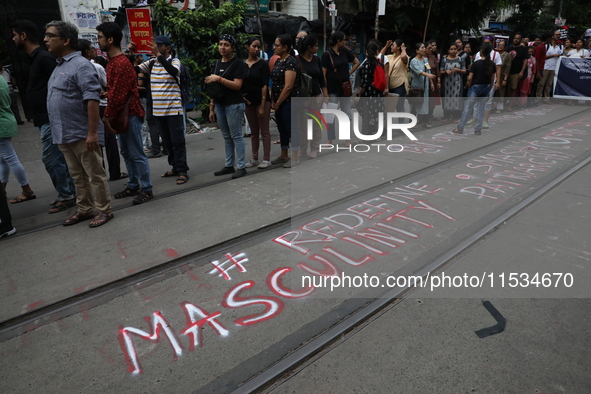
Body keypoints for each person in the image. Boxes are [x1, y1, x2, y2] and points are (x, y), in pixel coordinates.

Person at [44, 20, 113, 227]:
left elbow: (92, 99)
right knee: (77, 176)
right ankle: (84, 209)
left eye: (50, 35)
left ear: (65, 40)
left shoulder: (81, 65)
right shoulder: (59, 66)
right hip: (64, 133)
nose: (45, 40)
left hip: (83, 133)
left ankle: (104, 210)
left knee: (95, 175)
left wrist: (92, 132)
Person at [11, 20, 76, 214]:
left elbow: (62, 84)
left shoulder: (44, 58)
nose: (13, 39)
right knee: (57, 158)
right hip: (44, 118)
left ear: (23, 36)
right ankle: (68, 193)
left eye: (14, 35)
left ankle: (67, 195)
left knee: (52, 159)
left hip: (51, 118)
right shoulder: (35, 58)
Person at [97, 22, 154, 205]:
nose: (98, 41)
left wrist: (107, 117)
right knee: (127, 153)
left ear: (110, 39)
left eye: (100, 37)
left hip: (129, 114)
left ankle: (146, 188)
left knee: (136, 153)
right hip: (123, 114)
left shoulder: (120, 63)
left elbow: (118, 95)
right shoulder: (113, 62)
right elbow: (116, 91)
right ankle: (132, 184)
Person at [137, 36, 189, 184]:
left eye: (159, 46)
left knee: (177, 141)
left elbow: (173, 71)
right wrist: (130, 53)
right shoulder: (152, 63)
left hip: (173, 110)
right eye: (155, 46)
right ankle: (175, 167)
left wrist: (159, 56)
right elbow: (135, 69)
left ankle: (183, 170)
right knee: (167, 142)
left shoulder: (175, 61)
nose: (156, 48)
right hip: (158, 111)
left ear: (167, 48)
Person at [78, 39, 127, 183]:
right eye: (92, 48)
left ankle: (101, 172)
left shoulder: (77, 68)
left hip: (87, 108)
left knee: (96, 143)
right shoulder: (96, 67)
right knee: (109, 140)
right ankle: (115, 172)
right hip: (101, 105)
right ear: (87, 52)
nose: (95, 50)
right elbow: (108, 85)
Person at [206, 34, 248, 178]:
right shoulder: (217, 63)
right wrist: (211, 106)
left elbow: (237, 85)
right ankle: (229, 165)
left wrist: (219, 78)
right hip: (220, 104)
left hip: (234, 104)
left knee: (236, 135)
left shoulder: (239, 64)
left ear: (233, 47)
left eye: (226, 45)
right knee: (226, 137)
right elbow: (213, 87)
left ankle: (241, 166)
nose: (222, 47)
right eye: (221, 44)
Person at [1, 74, 35, 204]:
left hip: (2, 125)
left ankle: (26, 189)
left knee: (10, 158)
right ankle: (2, 190)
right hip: (6, 120)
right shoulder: (1, 79)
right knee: (3, 159)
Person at [321, 31, 360, 143]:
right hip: (332, 89)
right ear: (338, 41)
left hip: (345, 88)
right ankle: (330, 139)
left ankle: (347, 138)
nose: (345, 41)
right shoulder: (327, 55)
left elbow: (356, 62)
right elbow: (323, 74)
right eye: (343, 39)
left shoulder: (345, 52)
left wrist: (349, 73)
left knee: (347, 113)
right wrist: (326, 93)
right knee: (331, 114)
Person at [270, 34, 301, 167]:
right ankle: (284, 154)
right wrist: (273, 100)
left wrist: (277, 103)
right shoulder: (278, 61)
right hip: (279, 102)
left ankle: (295, 157)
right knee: (282, 128)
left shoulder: (291, 62)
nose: (274, 47)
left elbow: (288, 86)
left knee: (291, 128)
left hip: (289, 102)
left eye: (277, 45)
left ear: (285, 47)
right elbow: (274, 82)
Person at [453, 43, 495, 135]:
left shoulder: (476, 64)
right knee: (481, 109)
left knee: (468, 109)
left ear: (481, 51)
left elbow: (470, 78)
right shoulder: (492, 64)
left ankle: (460, 127)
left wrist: (468, 85)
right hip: (486, 87)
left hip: (475, 87)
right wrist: (489, 89)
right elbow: (492, 79)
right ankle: (478, 129)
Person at [296, 34, 328, 157]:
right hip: (303, 97)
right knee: (303, 124)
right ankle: (302, 149)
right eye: (315, 46)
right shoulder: (297, 60)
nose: (317, 48)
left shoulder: (316, 59)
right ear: (309, 47)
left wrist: (325, 94)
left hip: (316, 95)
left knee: (315, 123)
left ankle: (315, 148)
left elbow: (321, 78)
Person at [242, 37, 272, 169]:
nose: (256, 49)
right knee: (254, 132)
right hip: (249, 103)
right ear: (247, 47)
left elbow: (264, 85)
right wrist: (242, 97)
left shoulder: (263, 65)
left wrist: (262, 104)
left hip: (262, 102)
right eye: (254, 46)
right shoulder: (242, 65)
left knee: (264, 131)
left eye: (258, 47)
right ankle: (254, 157)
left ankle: (266, 158)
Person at [409, 42, 435, 128]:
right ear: (417, 50)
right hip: (417, 86)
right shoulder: (413, 61)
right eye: (422, 48)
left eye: (424, 47)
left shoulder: (425, 60)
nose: (424, 49)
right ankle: (411, 122)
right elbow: (418, 71)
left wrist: (431, 82)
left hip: (425, 85)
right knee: (415, 103)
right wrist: (428, 75)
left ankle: (425, 121)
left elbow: (428, 71)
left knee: (425, 103)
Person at [439, 43, 466, 121]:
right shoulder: (444, 60)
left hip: (457, 82)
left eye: (455, 49)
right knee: (447, 98)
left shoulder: (461, 60)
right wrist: (445, 72)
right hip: (447, 83)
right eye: (451, 49)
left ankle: (456, 115)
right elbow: (441, 71)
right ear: (448, 50)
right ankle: (447, 115)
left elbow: (464, 71)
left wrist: (458, 70)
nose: (453, 51)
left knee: (457, 98)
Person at [536, 30, 563, 103]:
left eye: (559, 35)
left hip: (554, 67)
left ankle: (546, 98)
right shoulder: (546, 46)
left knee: (549, 84)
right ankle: (538, 98)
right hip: (546, 67)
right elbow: (542, 57)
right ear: (552, 36)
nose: (558, 36)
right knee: (541, 84)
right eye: (556, 35)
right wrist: (554, 55)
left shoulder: (560, 46)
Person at [386, 39, 409, 115]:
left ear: (398, 47)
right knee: (388, 107)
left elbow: (403, 57)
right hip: (390, 85)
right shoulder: (390, 57)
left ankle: (401, 125)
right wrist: (386, 46)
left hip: (400, 85)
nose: (391, 47)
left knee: (399, 106)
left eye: (393, 45)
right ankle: (388, 125)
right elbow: (380, 56)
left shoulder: (405, 57)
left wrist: (403, 49)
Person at [506, 33, 528, 111]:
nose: (516, 39)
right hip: (507, 72)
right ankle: (506, 103)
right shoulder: (508, 48)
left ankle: (511, 105)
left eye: (518, 38)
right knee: (506, 89)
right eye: (515, 38)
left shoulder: (523, 49)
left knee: (513, 88)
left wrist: (522, 72)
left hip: (516, 72)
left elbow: (525, 60)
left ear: (520, 40)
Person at [0, 60, 24, 125]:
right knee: (5, 107)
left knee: (14, 106)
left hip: (10, 91)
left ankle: (18, 119)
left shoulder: (7, 71)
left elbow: (11, 79)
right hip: (3, 93)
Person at [494, 40, 511, 112]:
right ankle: (494, 106)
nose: (500, 46)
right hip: (494, 75)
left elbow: (508, 68)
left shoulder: (507, 55)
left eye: (502, 45)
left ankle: (500, 107)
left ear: (504, 47)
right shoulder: (495, 54)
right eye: (499, 44)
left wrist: (505, 79)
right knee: (494, 91)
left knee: (501, 91)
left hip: (502, 75)